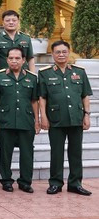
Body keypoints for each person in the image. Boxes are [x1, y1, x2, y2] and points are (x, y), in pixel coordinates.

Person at [39, 40, 93, 196]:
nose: (61, 55)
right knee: (56, 153)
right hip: (56, 118)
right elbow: (42, 97)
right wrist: (43, 117)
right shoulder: (45, 73)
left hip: (76, 117)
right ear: (52, 54)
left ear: (69, 53)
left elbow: (85, 96)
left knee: (76, 153)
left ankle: (75, 184)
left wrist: (87, 115)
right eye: (58, 52)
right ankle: (55, 183)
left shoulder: (79, 72)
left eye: (64, 52)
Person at [0, 46, 40, 193]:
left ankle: (25, 182)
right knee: (5, 153)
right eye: (11, 58)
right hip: (5, 120)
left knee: (27, 153)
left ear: (24, 60)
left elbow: (34, 101)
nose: (14, 61)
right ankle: (6, 181)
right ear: (6, 60)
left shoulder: (32, 78)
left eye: (17, 58)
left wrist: (37, 120)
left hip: (26, 120)